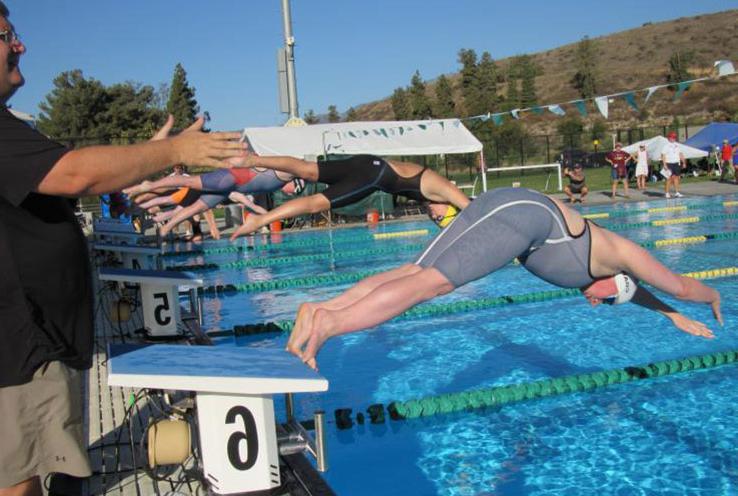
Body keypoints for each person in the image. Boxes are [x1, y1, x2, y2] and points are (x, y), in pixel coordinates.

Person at [0, 4, 246, 494]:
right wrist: (173, 150)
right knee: (19, 474)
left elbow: (67, 178)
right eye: (7, 35)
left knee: (42, 463)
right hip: (21, 341)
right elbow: (75, 172)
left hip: (41, 334)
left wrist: (139, 160)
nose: (20, 45)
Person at [285, 187, 723, 370]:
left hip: (507, 208)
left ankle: (322, 310)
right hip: (523, 213)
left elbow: (634, 293)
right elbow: (681, 285)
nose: (596, 302)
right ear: (618, 279)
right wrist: (709, 296)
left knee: (412, 272)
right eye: (607, 300)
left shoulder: (608, 276)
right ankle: (331, 326)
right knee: (433, 283)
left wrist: (669, 316)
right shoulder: (620, 254)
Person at [228, 153, 471, 239]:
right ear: (449, 207)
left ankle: (252, 160)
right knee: (315, 204)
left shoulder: (433, 194)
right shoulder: (446, 190)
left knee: (307, 169)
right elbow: (474, 209)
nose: (434, 218)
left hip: (369, 163)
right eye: (440, 219)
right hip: (374, 176)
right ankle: (259, 220)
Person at [125, 166, 303, 236]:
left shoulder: (276, 187)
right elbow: (280, 162)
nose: (293, 192)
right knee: (187, 181)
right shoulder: (285, 174)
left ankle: (167, 226)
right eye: (296, 189)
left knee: (195, 208)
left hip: (229, 189)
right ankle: (149, 185)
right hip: (230, 178)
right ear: (293, 181)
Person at [662, 131, 686, 198]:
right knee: (669, 179)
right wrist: (664, 164)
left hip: (676, 163)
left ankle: (677, 192)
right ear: (669, 138)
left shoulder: (677, 145)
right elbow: (663, 155)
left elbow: (680, 154)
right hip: (669, 163)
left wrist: (683, 162)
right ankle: (667, 193)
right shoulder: (666, 146)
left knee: (676, 178)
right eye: (672, 137)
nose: (673, 138)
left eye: (674, 137)